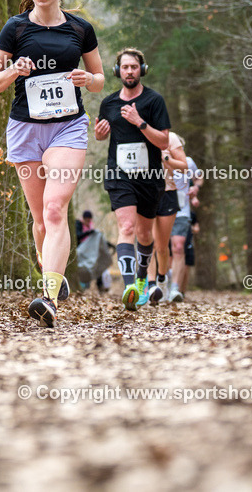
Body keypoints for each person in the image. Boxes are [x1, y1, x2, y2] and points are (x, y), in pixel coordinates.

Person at [0, 0, 105, 327]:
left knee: (55, 210)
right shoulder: (15, 29)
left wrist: (88, 80)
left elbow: (100, 78)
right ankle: (52, 273)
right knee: (39, 220)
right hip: (24, 129)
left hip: (67, 128)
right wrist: (13, 71)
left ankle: (48, 298)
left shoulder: (80, 29)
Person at [93, 48, 171, 311]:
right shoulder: (109, 104)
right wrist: (100, 134)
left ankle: (140, 281)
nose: (129, 71)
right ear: (118, 71)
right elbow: (102, 137)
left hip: (150, 177)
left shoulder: (154, 101)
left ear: (142, 70)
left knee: (145, 234)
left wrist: (140, 122)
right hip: (119, 174)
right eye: (124, 67)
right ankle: (128, 287)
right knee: (126, 227)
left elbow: (163, 141)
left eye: (133, 67)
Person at [147, 132, 188, 304]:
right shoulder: (137, 133)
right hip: (144, 192)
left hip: (167, 193)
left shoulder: (170, 138)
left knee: (161, 246)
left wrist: (166, 159)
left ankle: (162, 281)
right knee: (147, 242)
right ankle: (150, 286)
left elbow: (184, 166)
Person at [169, 159, 203, 301]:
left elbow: (199, 175)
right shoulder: (155, 155)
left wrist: (196, 189)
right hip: (160, 211)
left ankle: (176, 289)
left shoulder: (187, 162)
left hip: (182, 213)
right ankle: (158, 284)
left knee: (178, 248)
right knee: (162, 251)